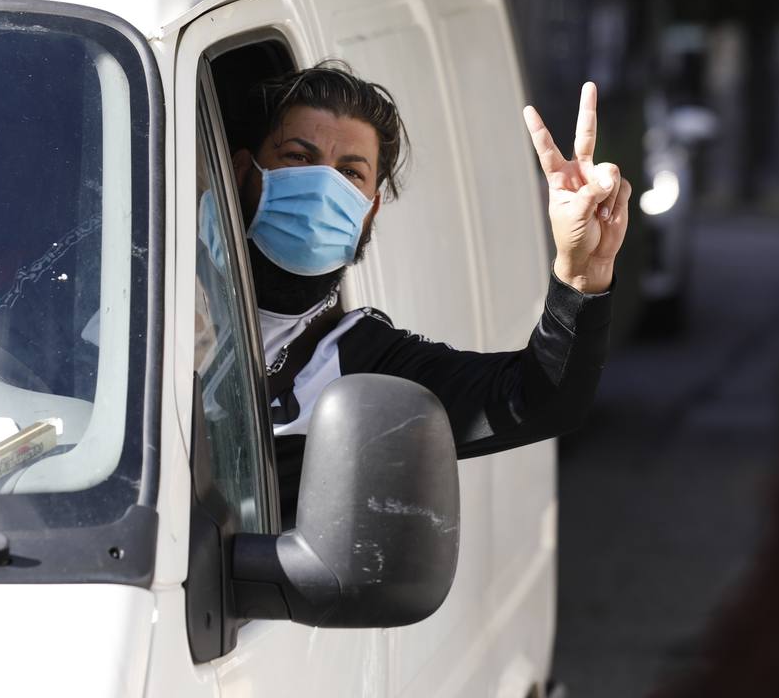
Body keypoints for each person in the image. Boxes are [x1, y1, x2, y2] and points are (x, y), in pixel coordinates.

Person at [225, 62, 632, 523]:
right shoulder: (156, 297)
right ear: (242, 171)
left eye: (350, 174)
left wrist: (581, 272)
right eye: (299, 157)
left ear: (369, 209)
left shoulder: (368, 365)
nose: (323, 188)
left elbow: (541, 400)